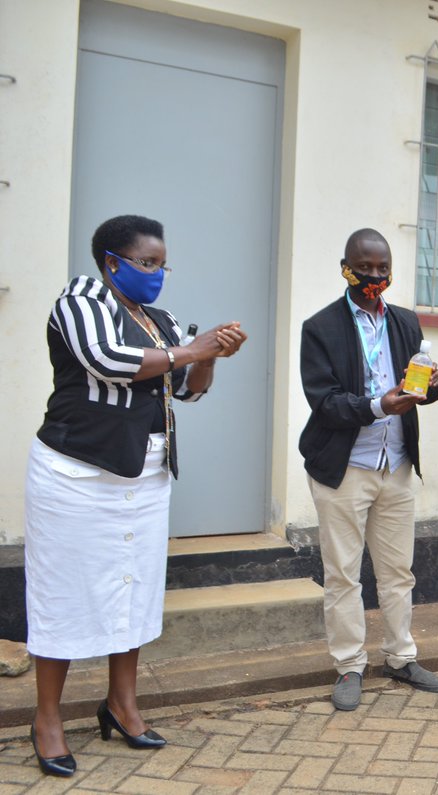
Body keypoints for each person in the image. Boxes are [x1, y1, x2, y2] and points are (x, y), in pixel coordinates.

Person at [24, 214, 247, 777]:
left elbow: (184, 391)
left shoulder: (159, 319)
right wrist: (190, 351)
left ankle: (122, 704)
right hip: (78, 474)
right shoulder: (78, 303)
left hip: (145, 477)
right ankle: (46, 717)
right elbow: (107, 361)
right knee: (64, 593)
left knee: (133, 589)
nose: (157, 273)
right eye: (147, 263)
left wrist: (210, 355)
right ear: (112, 261)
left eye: (161, 263)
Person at [299, 228, 438, 711]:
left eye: (383, 268)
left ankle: (401, 657)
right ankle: (349, 665)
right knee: (343, 574)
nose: (375, 276)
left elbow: (419, 389)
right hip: (344, 469)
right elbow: (326, 403)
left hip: (397, 465)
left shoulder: (404, 321)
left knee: (398, 571)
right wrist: (380, 405)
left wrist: (431, 384)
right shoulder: (320, 328)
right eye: (366, 267)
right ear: (346, 267)